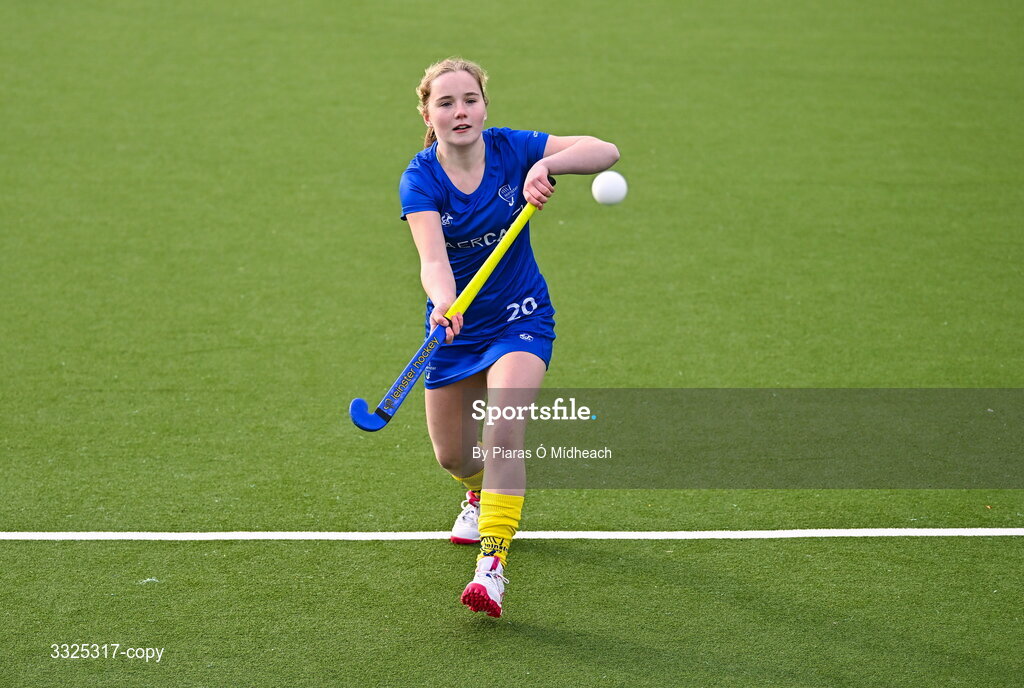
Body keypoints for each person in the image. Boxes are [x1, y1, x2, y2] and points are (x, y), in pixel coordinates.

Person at [399, 57, 619, 618]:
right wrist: (445, 304)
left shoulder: (511, 148)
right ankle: (477, 492)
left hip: (522, 316)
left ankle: (492, 566)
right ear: (428, 113)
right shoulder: (420, 178)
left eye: (469, 99)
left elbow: (605, 151)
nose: (460, 111)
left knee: (504, 429)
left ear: (484, 106)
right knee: (453, 456)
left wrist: (548, 167)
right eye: (445, 103)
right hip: (459, 322)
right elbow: (431, 258)